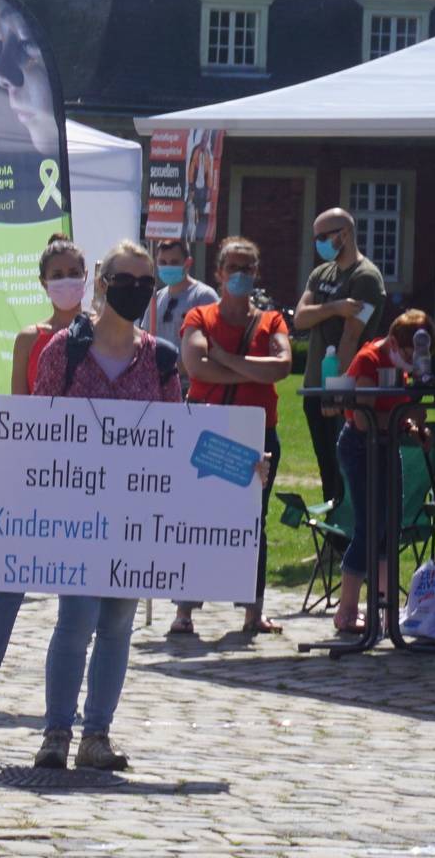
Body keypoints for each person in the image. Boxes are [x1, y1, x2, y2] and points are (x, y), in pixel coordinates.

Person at [17, 239, 185, 771]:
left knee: (116, 624)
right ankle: (56, 733)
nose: (135, 291)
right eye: (125, 281)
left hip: (135, 517)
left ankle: (97, 736)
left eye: (146, 283)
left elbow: (180, 439)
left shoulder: (160, 359)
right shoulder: (63, 352)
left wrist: (241, 474)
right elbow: (32, 428)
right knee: (76, 618)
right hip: (75, 510)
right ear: (103, 283)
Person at [0, 233, 89, 709]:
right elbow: (15, 413)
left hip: (89, 479)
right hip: (37, 477)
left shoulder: (105, 335)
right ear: (43, 283)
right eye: (58, 274)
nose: (67, 282)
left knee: (80, 593)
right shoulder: (31, 338)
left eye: (74, 272)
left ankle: (73, 698)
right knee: (7, 581)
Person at [169, 236, 290, 639]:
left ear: (256, 273)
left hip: (259, 433)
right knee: (198, 516)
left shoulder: (271, 320)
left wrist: (226, 358)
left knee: (253, 519)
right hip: (210, 427)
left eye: (247, 268)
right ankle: (185, 610)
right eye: (233, 267)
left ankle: (253, 610)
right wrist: (250, 370)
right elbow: (197, 366)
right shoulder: (199, 317)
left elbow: (282, 366)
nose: (240, 275)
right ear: (218, 273)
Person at [333, 308, 435, 636]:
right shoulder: (369, 360)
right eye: (410, 352)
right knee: (370, 524)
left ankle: (382, 605)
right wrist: (400, 422)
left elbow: (410, 412)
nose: (414, 359)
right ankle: (346, 609)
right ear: (394, 342)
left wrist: (413, 424)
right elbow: (364, 418)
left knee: (389, 526)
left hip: (386, 444)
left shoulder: (406, 368)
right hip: (360, 445)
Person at [294, 209, 388, 508]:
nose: (318, 243)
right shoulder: (321, 274)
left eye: (323, 237)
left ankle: (348, 540)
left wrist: (338, 392)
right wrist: (335, 307)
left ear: (343, 235)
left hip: (343, 389)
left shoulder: (366, 279)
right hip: (313, 386)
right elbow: (299, 319)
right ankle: (334, 541)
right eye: (315, 237)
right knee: (326, 466)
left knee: (345, 468)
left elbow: (350, 337)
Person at [147, 237, 217, 350]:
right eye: (163, 262)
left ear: (188, 263)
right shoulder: (156, 298)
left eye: (174, 262)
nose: (168, 267)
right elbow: (146, 336)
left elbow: (214, 343)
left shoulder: (203, 297)